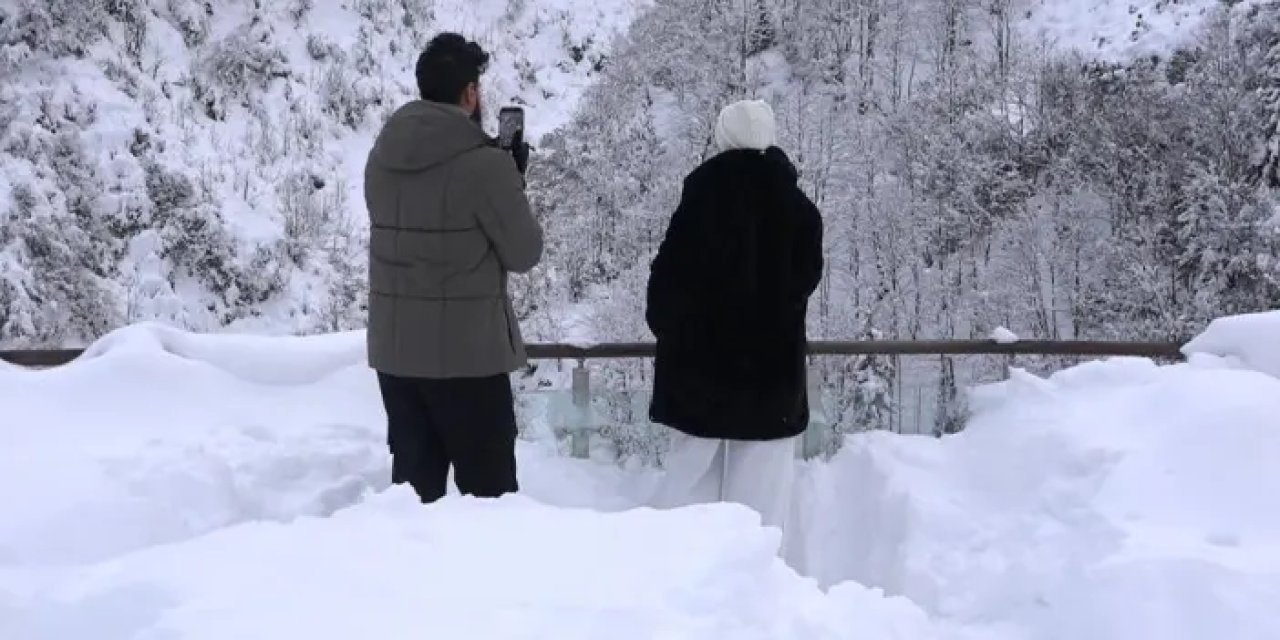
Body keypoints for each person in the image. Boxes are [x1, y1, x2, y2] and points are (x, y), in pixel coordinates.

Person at [363, 33, 542, 503]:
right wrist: (512, 182)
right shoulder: (486, 166)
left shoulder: (381, 157)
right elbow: (524, 253)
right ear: (469, 92)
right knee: (490, 500)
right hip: (468, 360)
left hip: (397, 357)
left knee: (414, 503)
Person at [645, 99, 824, 532]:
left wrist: (676, 334)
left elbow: (664, 292)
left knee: (687, 508)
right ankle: (757, 590)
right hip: (770, 382)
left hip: (697, 379)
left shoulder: (698, 205)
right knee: (762, 515)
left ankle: (684, 591)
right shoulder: (800, 213)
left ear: (723, 138)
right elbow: (804, 282)